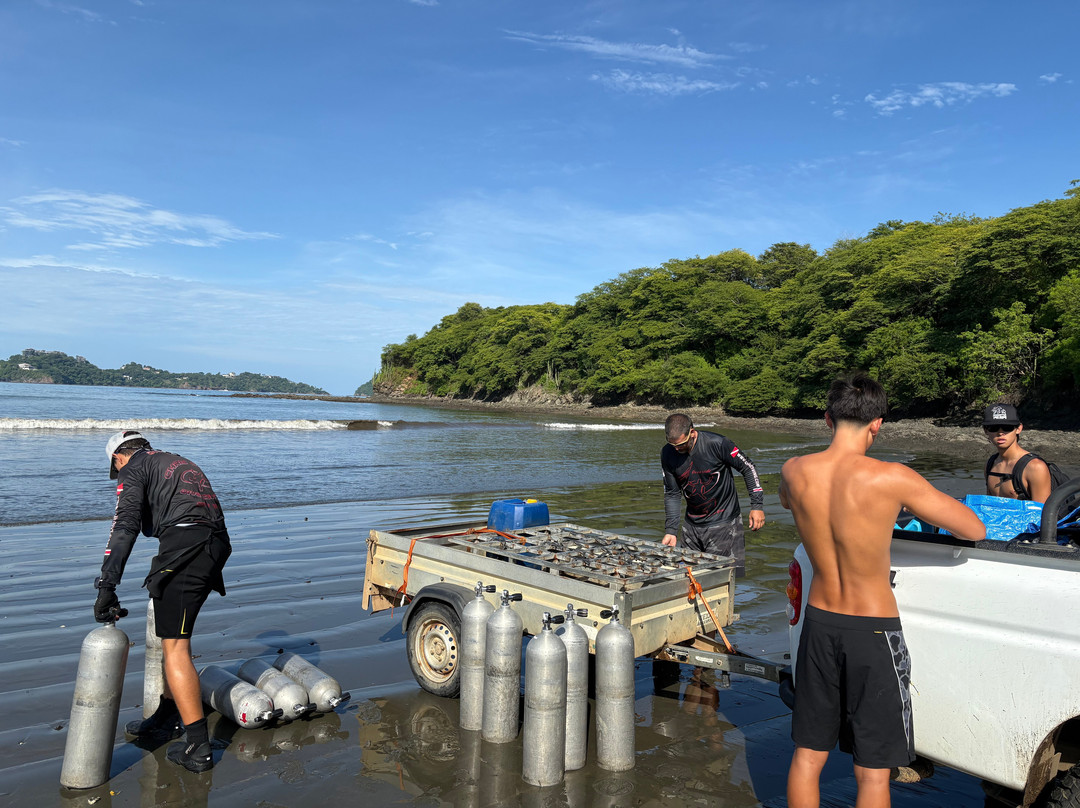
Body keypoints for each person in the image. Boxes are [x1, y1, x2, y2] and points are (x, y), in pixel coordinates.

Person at [779, 374, 984, 808]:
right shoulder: (893, 478)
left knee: (808, 755)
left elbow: (786, 501)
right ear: (877, 424)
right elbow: (973, 528)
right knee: (873, 770)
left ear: (827, 419)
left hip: (819, 623)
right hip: (872, 630)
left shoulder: (794, 471)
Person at [93, 430, 232, 773]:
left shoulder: (133, 469)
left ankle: (198, 747)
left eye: (116, 469)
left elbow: (124, 525)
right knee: (167, 617)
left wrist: (107, 584)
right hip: (213, 543)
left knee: (175, 647)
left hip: (188, 546)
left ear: (118, 458)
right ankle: (170, 710)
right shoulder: (175, 460)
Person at [661, 413, 765, 577]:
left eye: (681, 444)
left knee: (719, 580)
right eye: (672, 445)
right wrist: (671, 530)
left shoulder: (718, 444)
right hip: (691, 527)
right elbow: (672, 493)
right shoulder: (667, 454)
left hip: (724, 522)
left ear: (692, 433)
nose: (677, 449)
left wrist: (757, 506)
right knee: (688, 579)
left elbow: (748, 467)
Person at [983, 403, 1052, 504]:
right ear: (986, 430)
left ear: (1018, 429)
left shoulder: (1035, 467)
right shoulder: (990, 464)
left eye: (1007, 427)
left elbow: (1043, 514)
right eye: (993, 427)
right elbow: (988, 507)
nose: (1000, 432)